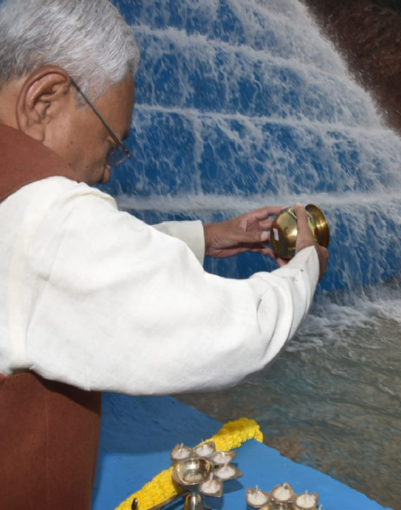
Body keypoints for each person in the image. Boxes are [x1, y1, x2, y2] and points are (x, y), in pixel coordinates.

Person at [0, 0, 329, 507]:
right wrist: (308, 262)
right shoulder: (47, 218)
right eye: (112, 143)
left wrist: (205, 237)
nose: (107, 171)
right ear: (44, 99)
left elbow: (55, 270)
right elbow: (239, 332)